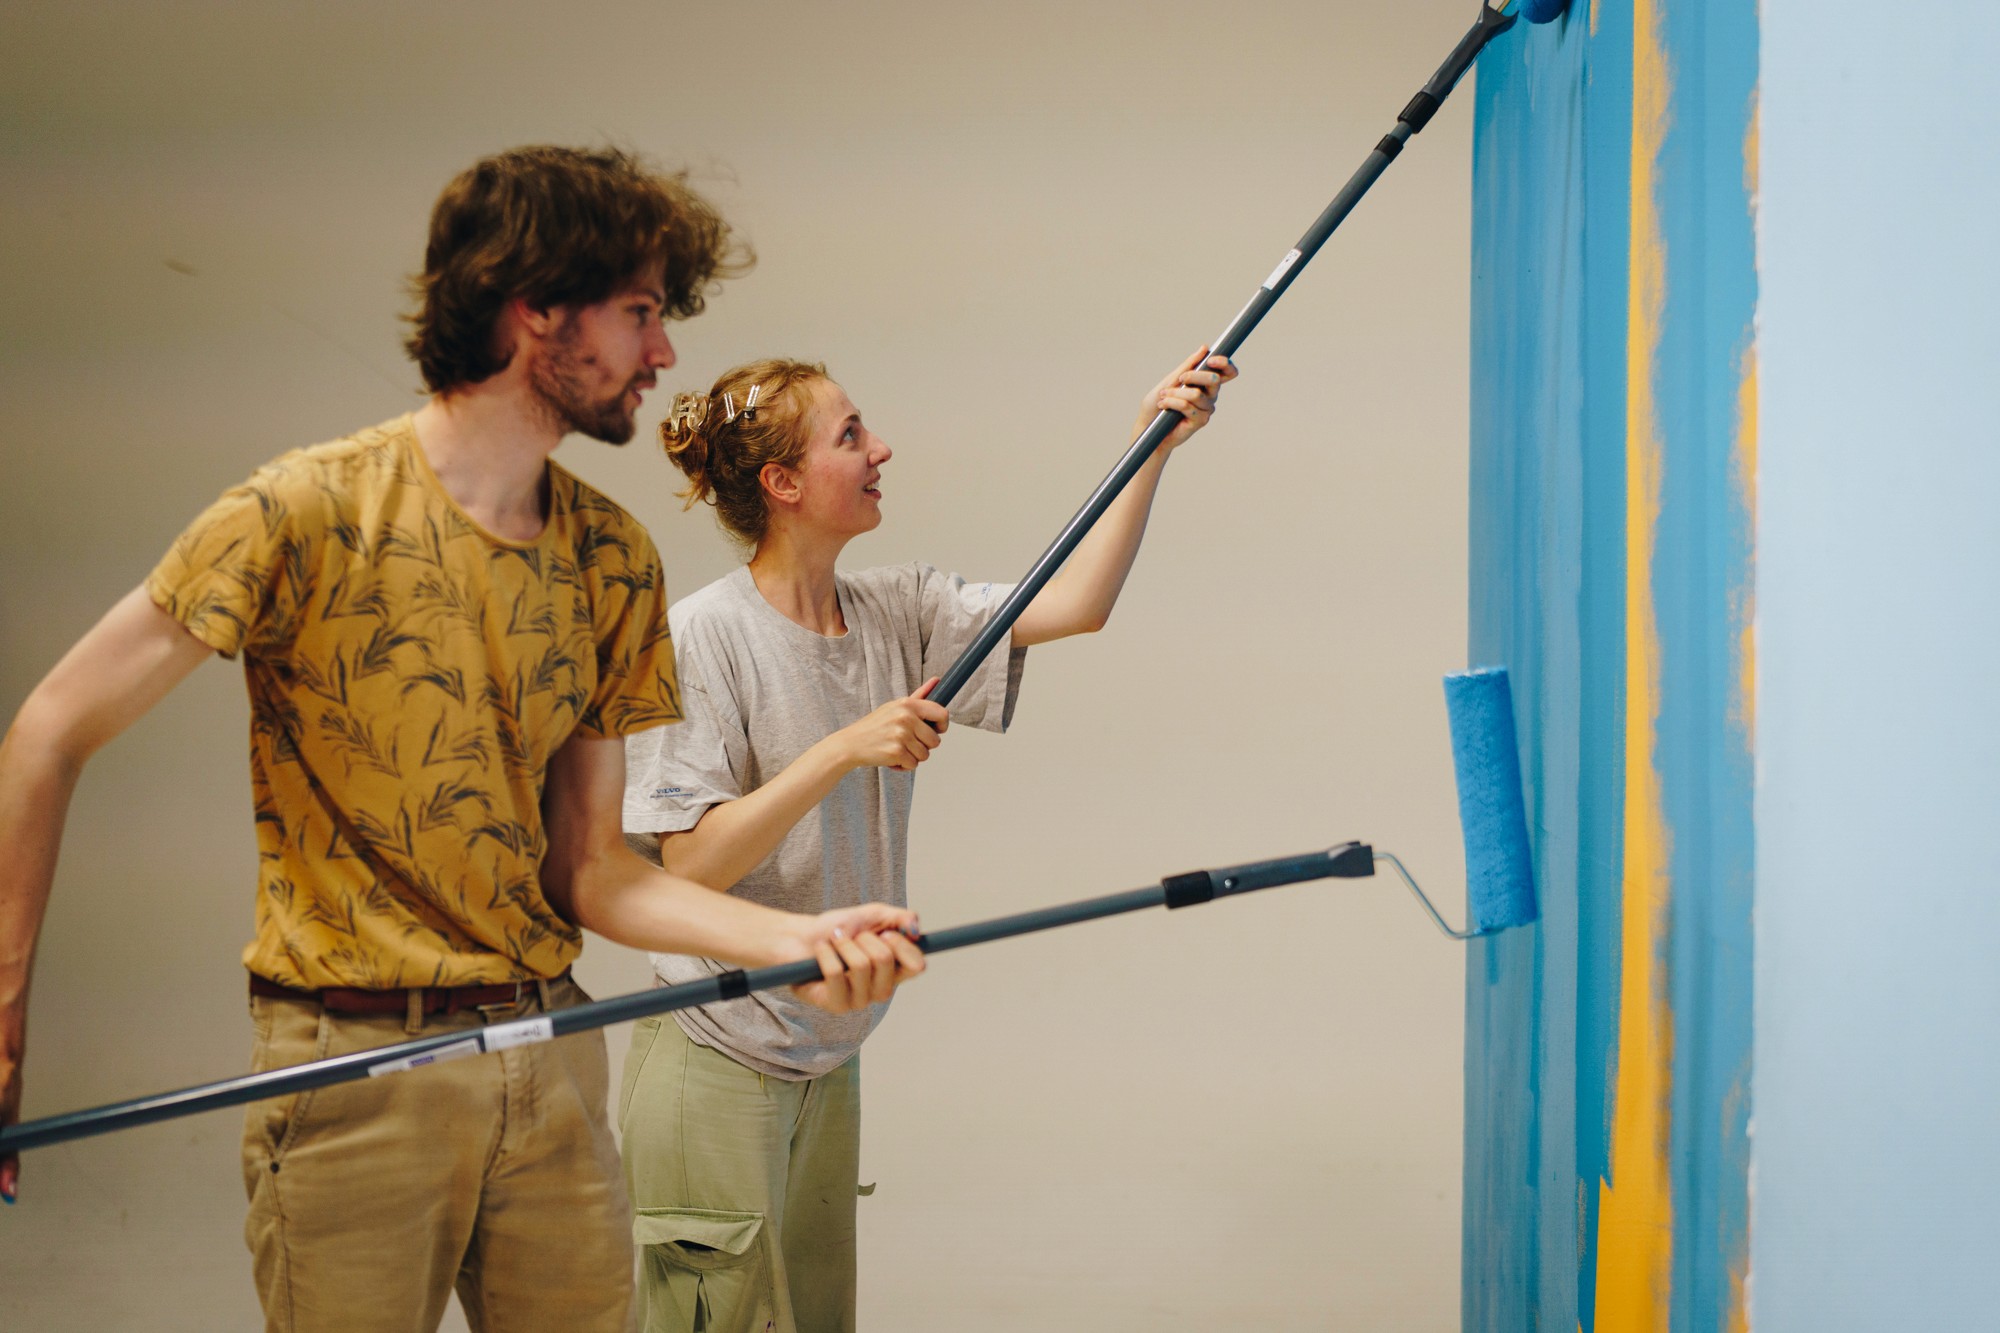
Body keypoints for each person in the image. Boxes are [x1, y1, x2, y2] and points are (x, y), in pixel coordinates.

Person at [0, 145, 924, 1332]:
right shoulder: (301, 512)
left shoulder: (609, 556)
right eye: (638, 313)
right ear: (535, 311)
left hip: (548, 1059)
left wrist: (801, 934)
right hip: (349, 1072)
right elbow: (47, 732)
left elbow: (593, 870)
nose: (664, 353)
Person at [619, 346, 1236, 1330]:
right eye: (850, 434)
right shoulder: (702, 637)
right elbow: (688, 865)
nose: (882, 449)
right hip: (713, 1049)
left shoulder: (893, 609)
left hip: (828, 1045)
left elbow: (1075, 604)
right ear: (781, 482)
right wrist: (842, 749)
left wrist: (1151, 443)